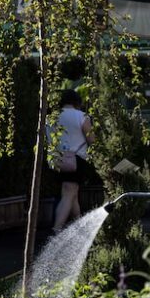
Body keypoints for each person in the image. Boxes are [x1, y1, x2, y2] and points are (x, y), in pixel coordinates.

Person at [51, 89, 95, 233]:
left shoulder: (52, 117)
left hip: (57, 160)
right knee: (69, 193)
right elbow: (91, 140)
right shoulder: (81, 116)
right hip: (76, 160)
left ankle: (79, 229)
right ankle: (56, 231)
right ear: (77, 102)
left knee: (72, 195)